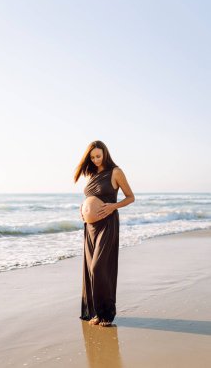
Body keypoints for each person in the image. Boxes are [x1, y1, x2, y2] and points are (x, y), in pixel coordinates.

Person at [74, 140, 135, 327]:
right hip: (90, 227)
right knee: (90, 270)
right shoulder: (91, 174)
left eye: (98, 156)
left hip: (107, 224)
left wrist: (113, 207)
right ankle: (96, 314)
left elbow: (130, 197)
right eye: (92, 157)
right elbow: (89, 197)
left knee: (98, 268)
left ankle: (106, 314)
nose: (95, 160)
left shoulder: (116, 172)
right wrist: (82, 208)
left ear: (105, 154)